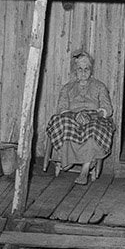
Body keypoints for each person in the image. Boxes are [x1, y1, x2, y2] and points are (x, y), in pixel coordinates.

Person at [46, 50, 114, 186]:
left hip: (94, 118)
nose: (83, 72)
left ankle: (84, 170)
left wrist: (93, 115)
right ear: (75, 71)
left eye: (86, 69)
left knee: (94, 129)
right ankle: (68, 159)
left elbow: (107, 108)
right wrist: (74, 115)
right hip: (72, 118)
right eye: (80, 69)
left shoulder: (99, 86)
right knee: (61, 123)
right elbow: (61, 108)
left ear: (91, 70)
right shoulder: (67, 88)